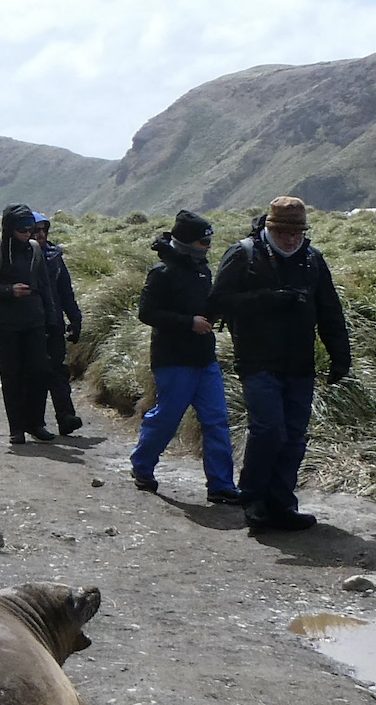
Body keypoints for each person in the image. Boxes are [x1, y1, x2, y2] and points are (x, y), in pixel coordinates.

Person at [210, 196, 351, 534]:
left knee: (294, 437)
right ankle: (254, 499)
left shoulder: (313, 260)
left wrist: (340, 355)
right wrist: (267, 300)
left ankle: (283, 503)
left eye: (298, 232)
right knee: (269, 430)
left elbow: (330, 311)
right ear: (270, 228)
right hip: (257, 360)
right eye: (285, 232)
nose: (292, 239)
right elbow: (217, 302)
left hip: (300, 363)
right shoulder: (244, 254)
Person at [126, 210, 244, 504]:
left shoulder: (203, 270)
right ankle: (142, 465)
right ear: (188, 242)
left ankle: (221, 485)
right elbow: (147, 313)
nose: (208, 246)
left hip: (204, 359)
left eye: (209, 241)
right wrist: (188, 322)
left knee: (216, 420)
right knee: (167, 417)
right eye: (204, 241)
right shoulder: (161, 273)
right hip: (174, 359)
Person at [0, 204, 58, 444]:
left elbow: (45, 287)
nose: (28, 234)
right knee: (12, 375)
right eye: (22, 229)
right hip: (3, 324)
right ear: (9, 229)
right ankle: (16, 428)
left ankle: (36, 423)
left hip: (34, 321)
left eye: (31, 229)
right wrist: (9, 291)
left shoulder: (34, 251)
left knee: (40, 371)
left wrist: (52, 319)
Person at [37, 213, 87, 437]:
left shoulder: (54, 257)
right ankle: (31, 423)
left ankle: (65, 417)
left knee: (58, 370)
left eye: (43, 230)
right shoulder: (16, 258)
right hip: (27, 325)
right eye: (34, 230)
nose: (40, 234)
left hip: (54, 322)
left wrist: (75, 319)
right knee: (33, 374)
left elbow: (65, 291)